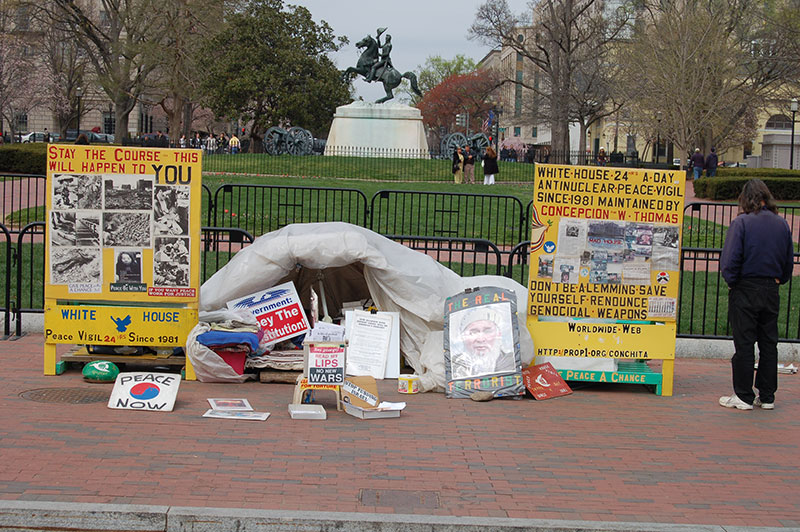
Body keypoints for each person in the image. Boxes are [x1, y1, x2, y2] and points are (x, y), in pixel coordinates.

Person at [719, 179, 793, 410]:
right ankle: (767, 395)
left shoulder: (742, 223)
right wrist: (781, 278)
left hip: (745, 287)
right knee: (769, 343)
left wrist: (732, 282)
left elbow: (730, 259)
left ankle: (743, 394)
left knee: (744, 343)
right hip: (771, 288)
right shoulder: (781, 225)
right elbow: (788, 260)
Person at [450, 306, 516, 380]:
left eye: (487, 331)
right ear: (463, 337)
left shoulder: (510, 362)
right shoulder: (455, 364)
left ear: (498, 334)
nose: (480, 339)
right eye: (473, 332)